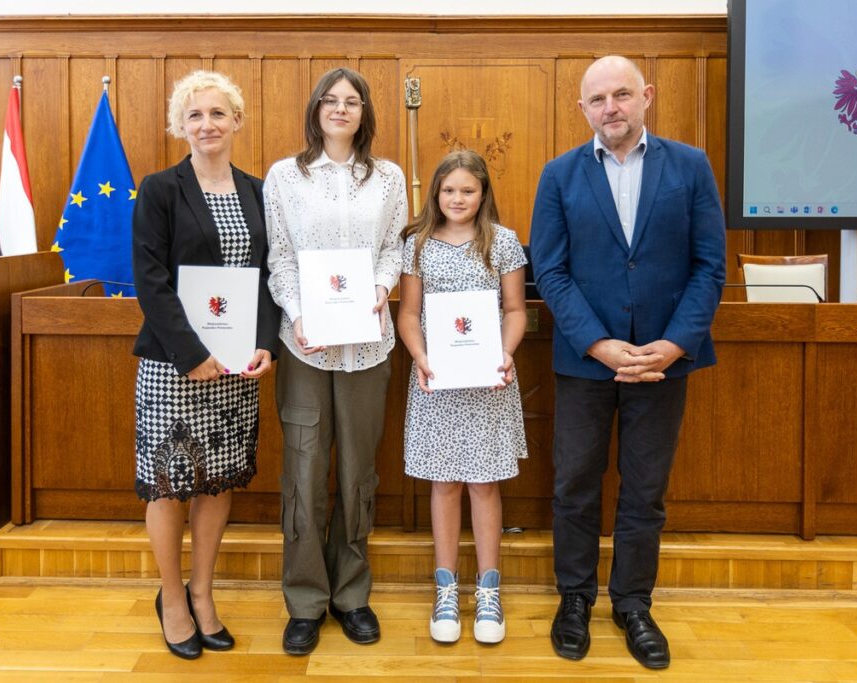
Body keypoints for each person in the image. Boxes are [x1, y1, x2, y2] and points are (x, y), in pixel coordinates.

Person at [529, 55, 725, 669]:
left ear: (646, 96)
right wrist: (598, 343)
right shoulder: (559, 176)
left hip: (664, 361)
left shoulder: (690, 167)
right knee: (575, 488)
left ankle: (633, 603)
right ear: (582, 108)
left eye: (620, 95)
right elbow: (550, 272)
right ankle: (575, 599)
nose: (609, 108)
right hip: (587, 362)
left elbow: (708, 266)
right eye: (597, 99)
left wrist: (673, 343)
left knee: (645, 491)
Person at [132, 70, 280, 660]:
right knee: (170, 484)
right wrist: (192, 355)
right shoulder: (160, 188)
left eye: (218, 114)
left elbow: (269, 278)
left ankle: (202, 592)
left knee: (216, 481)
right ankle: (171, 598)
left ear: (237, 121)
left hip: (237, 368)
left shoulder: (258, 190)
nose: (207, 125)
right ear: (180, 125)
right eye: (195, 115)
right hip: (175, 366)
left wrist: (265, 342)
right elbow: (150, 280)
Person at [263, 67, 407, 656]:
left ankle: (350, 595)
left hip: (368, 344)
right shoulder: (285, 177)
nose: (341, 109)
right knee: (303, 473)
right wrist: (299, 315)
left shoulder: (389, 177)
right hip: (304, 345)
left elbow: (395, 247)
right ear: (316, 110)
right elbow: (281, 258)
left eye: (352, 102)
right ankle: (304, 599)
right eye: (331, 101)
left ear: (365, 112)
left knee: (356, 471)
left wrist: (380, 290)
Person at [398, 150, 528, 645]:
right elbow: (409, 314)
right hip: (436, 380)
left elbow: (514, 309)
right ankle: (446, 587)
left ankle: (490, 590)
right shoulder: (417, 244)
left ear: (483, 194)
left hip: (488, 381)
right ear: (436, 193)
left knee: (483, 485)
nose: (458, 199)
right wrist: (421, 356)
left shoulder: (504, 243)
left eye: (467, 191)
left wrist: (505, 351)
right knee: (445, 484)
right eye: (449, 190)